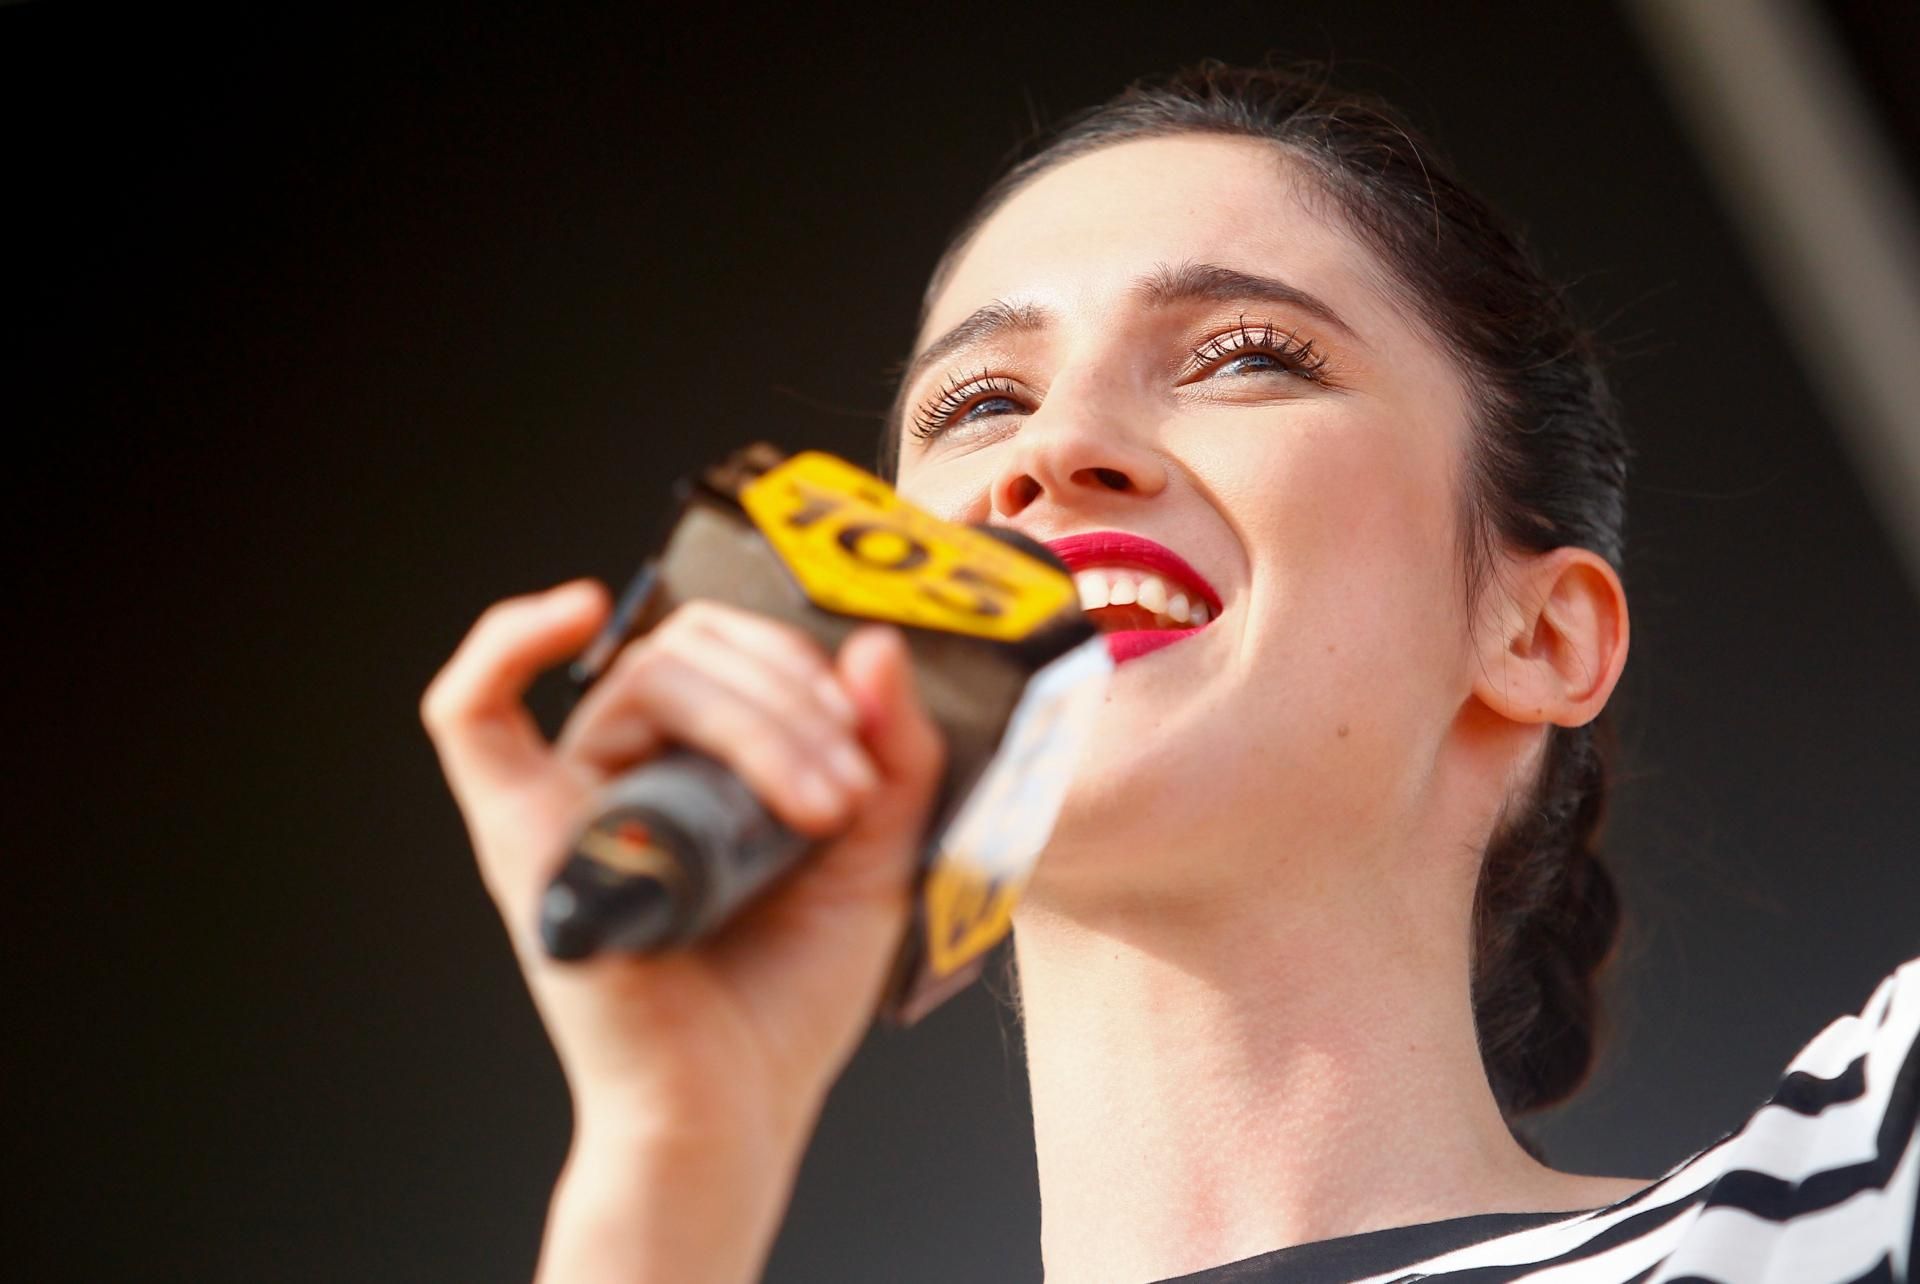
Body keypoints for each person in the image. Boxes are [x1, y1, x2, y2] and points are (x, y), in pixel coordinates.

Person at [421, 62, 1920, 1283]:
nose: (1052, 449)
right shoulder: (667, 1219)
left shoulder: (1846, 1198)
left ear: (1539, 634)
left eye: (1247, 354)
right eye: (978, 401)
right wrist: (674, 1159)